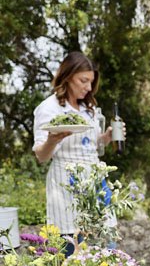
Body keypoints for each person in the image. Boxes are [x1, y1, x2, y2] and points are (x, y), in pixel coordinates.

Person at [32, 52, 118, 251]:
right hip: (65, 183)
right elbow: (41, 156)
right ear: (68, 76)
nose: (88, 87)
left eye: (91, 82)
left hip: (95, 180)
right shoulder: (49, 108)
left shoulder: (88, 109)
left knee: (107, 244)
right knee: (71, 249)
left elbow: (90, 145)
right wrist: (52, 140)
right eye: (83, 81)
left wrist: (105, 138)